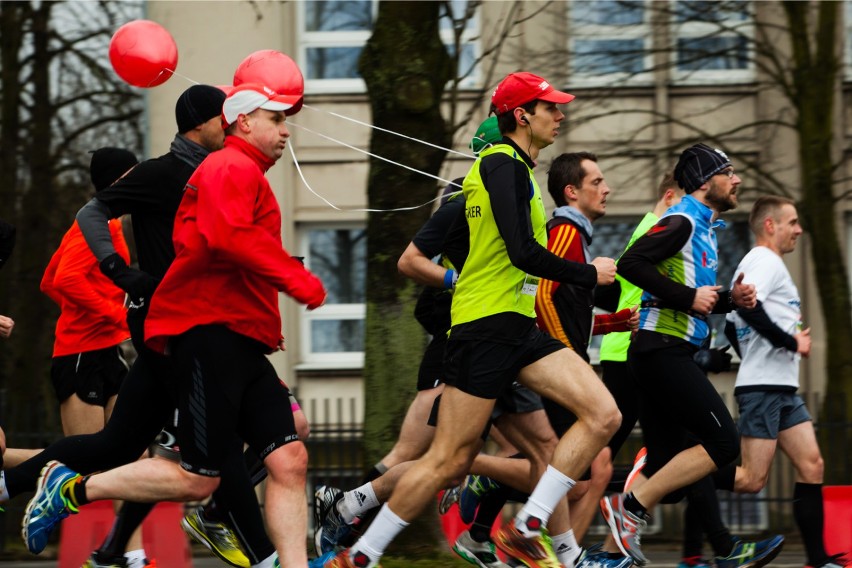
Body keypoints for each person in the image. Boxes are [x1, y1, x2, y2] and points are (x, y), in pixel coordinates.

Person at [21, 83, 328, 568]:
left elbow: (222, 247)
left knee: (284, 451)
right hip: (185, 334)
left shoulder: (227, 170)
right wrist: (119, 280)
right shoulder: (197, 170)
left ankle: (109, 542)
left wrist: (265, 300)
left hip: (230, 334)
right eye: (277, 120)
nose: (286, 132)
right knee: (199, 466)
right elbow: (224, 238)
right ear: (227, 122)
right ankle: (78, 495)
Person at [324, 71, 619, 568]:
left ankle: (530, 526)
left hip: (516, 327)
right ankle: (362, 554)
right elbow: (523, 252)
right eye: (550, 107)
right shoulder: (502, 164)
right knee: (447, 460)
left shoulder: (515, 170)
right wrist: (589, 273)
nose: (560, 115)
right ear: (522, 115)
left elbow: (516, 258)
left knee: (603, 415)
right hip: (484, 329)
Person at [599, 143, 783, 568]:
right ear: (705, 182)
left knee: (669, 466)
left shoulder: (703, 229)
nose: (736, 180)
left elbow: (695, 299)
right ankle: (631, 508)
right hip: (661, 351)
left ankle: (611, 554)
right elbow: (630, 263)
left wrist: (730, 299)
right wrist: (689, 296)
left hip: (662, 351)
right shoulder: (681, 220)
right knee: (723, 442)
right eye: (728, 172)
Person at [722, 196, 847, 568]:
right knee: (750, 480)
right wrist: (791, 342)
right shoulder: (765, 260)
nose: (799, 229)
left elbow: (731, 324)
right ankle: (665, 476)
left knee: (812, 466)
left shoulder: (761, 264)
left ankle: (818, 559)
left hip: (781, 387)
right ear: (771, 225)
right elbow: (748, 307)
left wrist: (762, 355)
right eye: (792, 222)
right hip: (763, 389)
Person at [40, 147, 137, 437]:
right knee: (85, 463)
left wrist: (86, 312)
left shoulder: (109, 224)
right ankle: (8, 474)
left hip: (108, 351)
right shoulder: (96, 227)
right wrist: (116, 316)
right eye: (135, 176)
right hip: (81, 354)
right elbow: (65, 279)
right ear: (118, 180)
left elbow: (48, 280)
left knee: (132, 455)